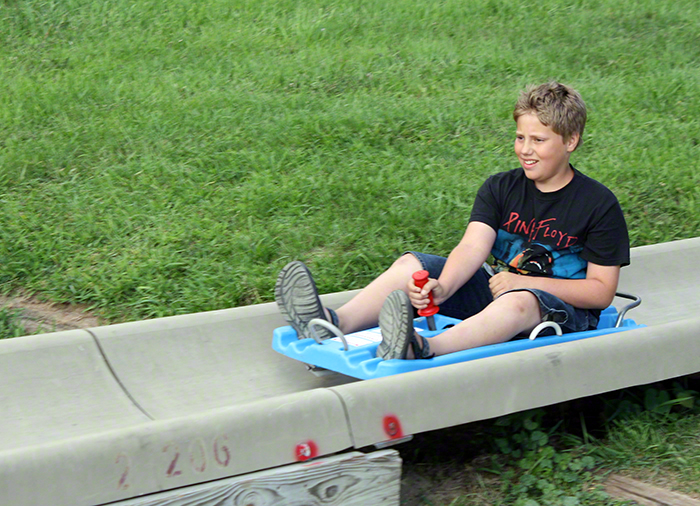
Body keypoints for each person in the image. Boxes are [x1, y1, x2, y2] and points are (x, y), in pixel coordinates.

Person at [275, 81, 630, 361]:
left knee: (518, 300)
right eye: (520, 137)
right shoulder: (501, 188)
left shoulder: (598, 205)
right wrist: (442, 287)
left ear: (571, 141)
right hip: (499, 293)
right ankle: (332, 323)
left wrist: (519, 286)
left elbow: (600, 293)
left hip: (564, 314)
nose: (525, 149)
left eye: (538, 140)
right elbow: (473, 245)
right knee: (412, 265)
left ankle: (424, 347)